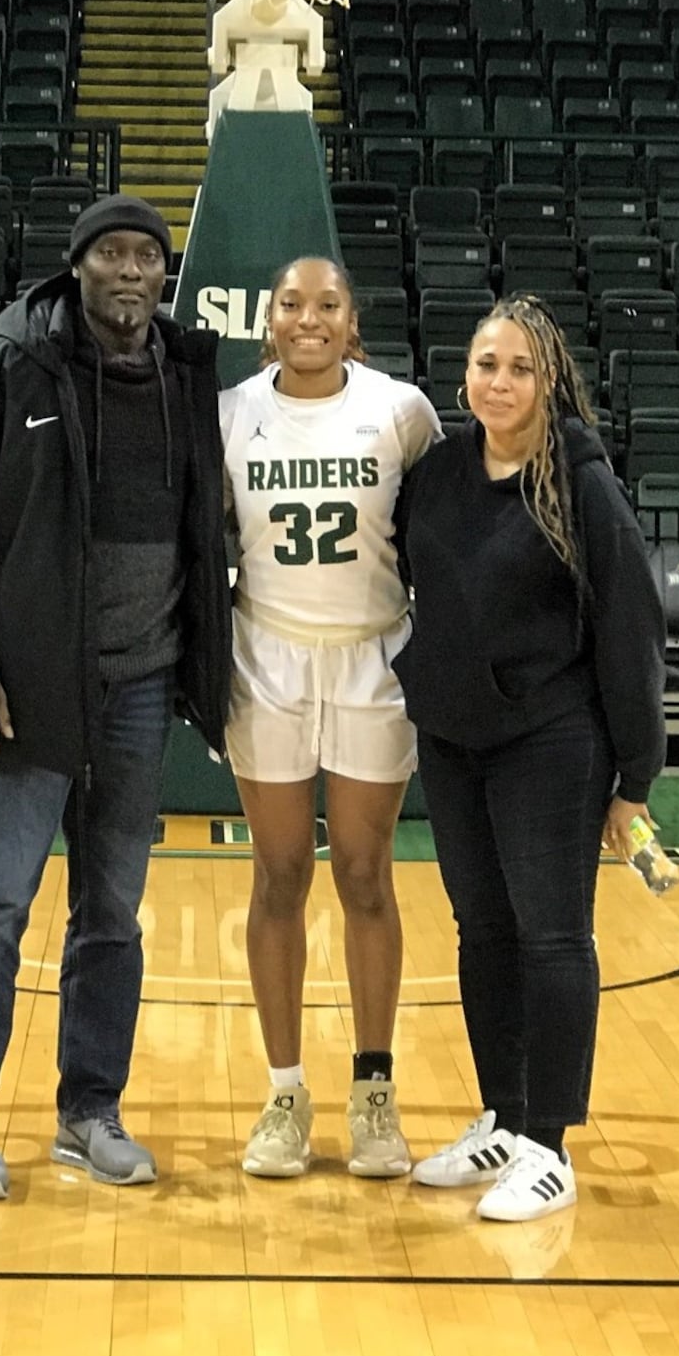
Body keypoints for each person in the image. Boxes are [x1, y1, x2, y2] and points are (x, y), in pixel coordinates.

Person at [0, 193, 231, 1201]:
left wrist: (203, 676)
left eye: (147, 255)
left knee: (114, 916)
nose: (130, 271)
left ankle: (87, 1110)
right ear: (78, 269)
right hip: (30, 690)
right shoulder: (8, 367)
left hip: (140, 685)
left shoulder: (187, 375)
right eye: (111, 255)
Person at [394, 293, 666, 1223]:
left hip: (553, 741)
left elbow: (632, 629)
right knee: (484, 933)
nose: (498, 382)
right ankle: (506, 1122)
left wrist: (634, 782)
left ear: (550, 382)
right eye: (484, 365)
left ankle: (550, 1145)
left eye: (518, 368)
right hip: (454, 739)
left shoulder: (581, 484)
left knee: (552, 936)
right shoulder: (436, 472)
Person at [220, 256, 442, 1180]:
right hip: (266, 653)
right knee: (277, 874)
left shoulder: (402, 412)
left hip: (372, 655)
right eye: (290, 305)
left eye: (327, 305)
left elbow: (447, 526)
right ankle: (283, 1093)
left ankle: (374, 1092)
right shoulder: (231, 413)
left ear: (353, 320)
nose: (308, 319)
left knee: (362, 872)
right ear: (267, 320)